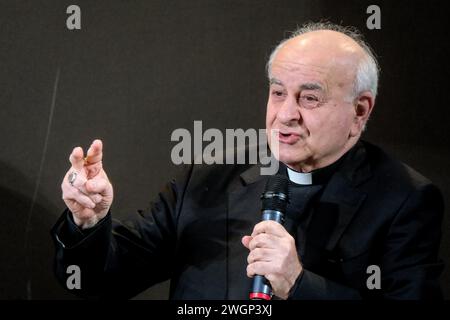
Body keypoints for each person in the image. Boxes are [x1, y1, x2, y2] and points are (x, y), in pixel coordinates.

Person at [51, 22, 444, 299]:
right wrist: (89, 223)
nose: (286, 114)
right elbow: (101, 281)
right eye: (277, 93)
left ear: (360, 111)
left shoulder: (404, 200)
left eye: (309, 98)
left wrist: (299, 284)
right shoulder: (209, 178)